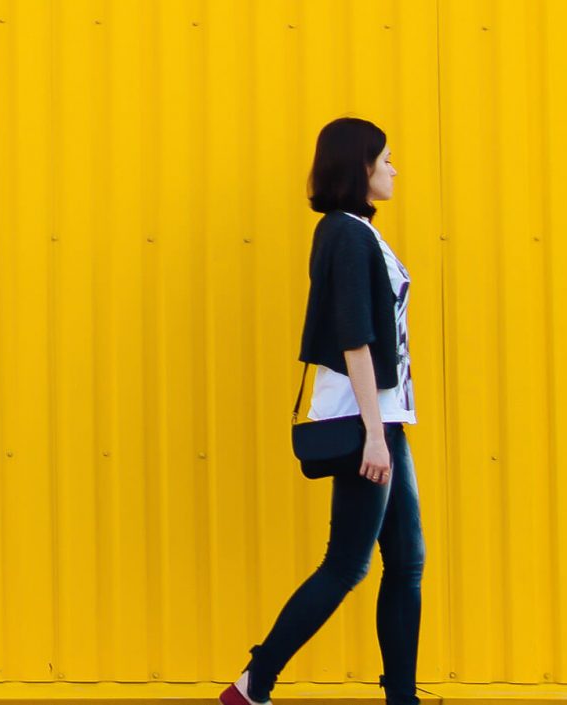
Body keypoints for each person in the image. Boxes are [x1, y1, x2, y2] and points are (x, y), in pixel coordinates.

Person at [218, 117, 426, 705]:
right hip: (367, 420)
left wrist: (385, 426)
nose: (394, 169)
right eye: (387, 158)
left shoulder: (360, 232)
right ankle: (254, 682)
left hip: (384, 417)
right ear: (360, 165)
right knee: (347, 564)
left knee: (406, 561)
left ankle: (402, 695)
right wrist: (374, 435)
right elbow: (354, 338)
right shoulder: (345, 234)